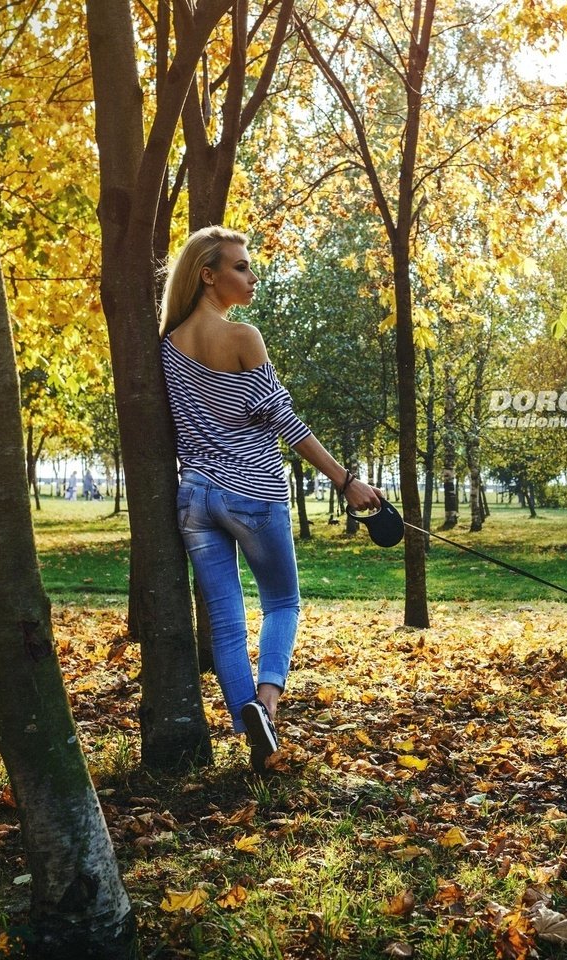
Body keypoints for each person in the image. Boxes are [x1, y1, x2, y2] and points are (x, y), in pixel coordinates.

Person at [159, 225, 382, 773]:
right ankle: (267, 706)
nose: (252, 277)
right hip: (250, 493)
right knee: (283, 603)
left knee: (228, 621)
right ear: (208, 275)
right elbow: (285, 420)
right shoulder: (243, 338)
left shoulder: (166, 345)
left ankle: (249, 728)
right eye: (240, 267)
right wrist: (344, 480)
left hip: (194, 499)